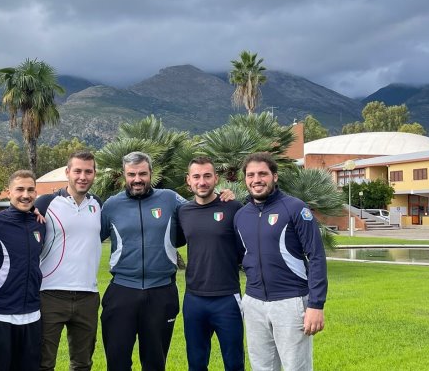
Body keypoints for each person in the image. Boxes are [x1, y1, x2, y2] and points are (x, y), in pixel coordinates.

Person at [233, 152, 327, 371]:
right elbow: (240, 257)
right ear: (245, 179)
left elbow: (316, 256)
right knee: (262, 367)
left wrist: (315, 305)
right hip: (254, 303)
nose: (256, 179)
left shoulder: (294, 208)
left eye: (263, 173)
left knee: (296, 367)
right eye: (251, 175)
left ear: (275, 176)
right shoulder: (241, 215)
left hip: (291, 302)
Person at [99, 151, 186, 371]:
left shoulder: (170, 198)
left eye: (142, 174)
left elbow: (202, 208)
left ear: (151, 174)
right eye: (131, 174)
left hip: (162, 292)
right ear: (124, 176)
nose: (137, 179)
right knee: (117, 362)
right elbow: (84, 233)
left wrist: (224, 197)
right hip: (122, 292)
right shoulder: (111, 205)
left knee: (155, 363)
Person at [34, 151, 103, 371]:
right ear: (67, 172)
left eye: (88, 171)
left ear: (94, 174)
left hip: (88, 297)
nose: (83, 176)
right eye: (78, 171)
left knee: (82, 364)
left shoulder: (98, 204)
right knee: (44, 363)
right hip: (50, 295)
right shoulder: (46, 202)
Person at [176, 156, 245, 371]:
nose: (202, 182)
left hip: (227, 298)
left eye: (207, 176)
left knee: (234, 363)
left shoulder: (233, 208)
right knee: (196, 363)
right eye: (196, 177)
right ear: (189, 180)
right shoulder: (182, 212)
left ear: (216, 178)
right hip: (194, 299)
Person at [0, 170, 46, 370]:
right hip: (0, 316)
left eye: (30, 190)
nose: (25, 195)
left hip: (33, 315)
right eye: (19, 189)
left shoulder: (40, 224)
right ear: (8, 192)